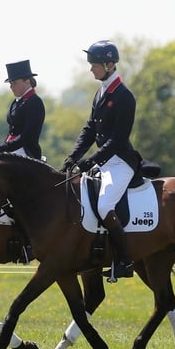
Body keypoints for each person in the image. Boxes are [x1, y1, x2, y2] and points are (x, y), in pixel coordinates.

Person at [61, 40, 140, 281]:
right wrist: (73, 157)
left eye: (94, 65)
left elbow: (118, 139)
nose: (91, 69)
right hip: (104, 162)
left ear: (109, 64)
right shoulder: (101, 93)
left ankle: (125, 261)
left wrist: (91, 160)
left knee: (105, 206)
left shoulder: (124, 96)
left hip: (120, 162)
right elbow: (89, 130)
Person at [0, 60, 45, 160]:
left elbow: (27, 136)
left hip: (26, 152)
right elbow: (11, 132)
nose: (11, 87)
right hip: (11, 149)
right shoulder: (15, 102)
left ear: (27, 81)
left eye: (14, 83)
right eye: (10, 83)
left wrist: (4, 148)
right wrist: (1, 148)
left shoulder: (35, 102)